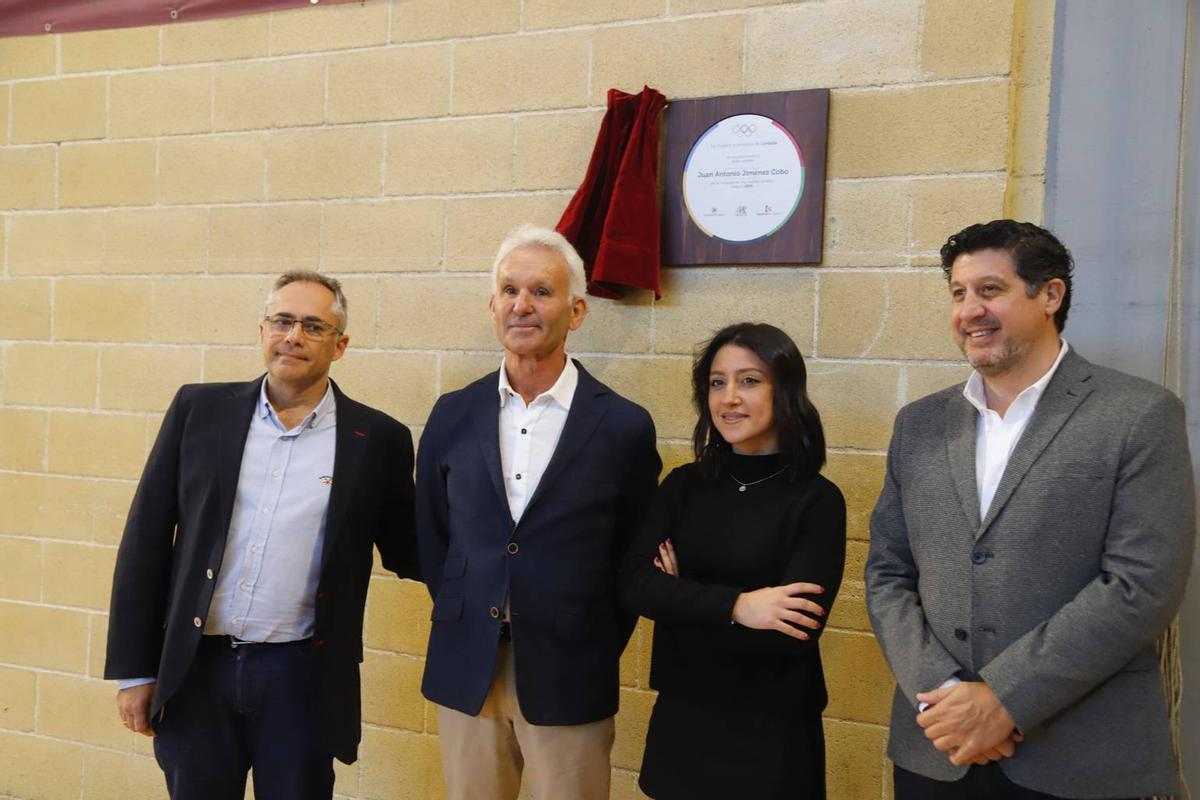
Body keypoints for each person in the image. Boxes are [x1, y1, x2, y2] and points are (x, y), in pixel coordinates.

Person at [866, 220, 1196, 800]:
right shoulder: (918, 425)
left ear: (1050, 295)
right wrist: (941, 691)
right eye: (959, 293)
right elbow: (888, 574)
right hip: (936, 748)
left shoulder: (1139, 415)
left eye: (990, 290)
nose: (970, 310)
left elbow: (1141, 585)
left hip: (1078, 756)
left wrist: (1006, 700)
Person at [104, 271, 419, 799]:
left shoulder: (377, 438)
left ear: (339, 346)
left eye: (313, 326)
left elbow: (410, 549)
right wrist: (134, 671)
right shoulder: (198, 411)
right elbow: (146, 542)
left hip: (302, 679)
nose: (293, 336)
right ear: (262, 329)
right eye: (282, 321)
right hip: (198, 671)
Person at [415, 224, 661, 800]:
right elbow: (433, 538)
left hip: (570, 668)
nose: (522, 305)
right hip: (468, 666)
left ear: (576, 312)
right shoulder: (452, 414)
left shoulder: (624, 425)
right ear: (493, 305)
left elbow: (631, 555)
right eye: (509, 290)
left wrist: (588, 635)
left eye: (541, 292)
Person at [620, 322, 846, 800]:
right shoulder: (683, 485)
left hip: (773, 733)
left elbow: (792, 633)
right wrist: (741, 607)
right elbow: (634, 584)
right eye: (717, 383)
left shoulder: (817, 500)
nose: (729, 398)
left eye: (749, 380)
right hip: (685, 720)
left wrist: (680, 600)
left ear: (785, 390)